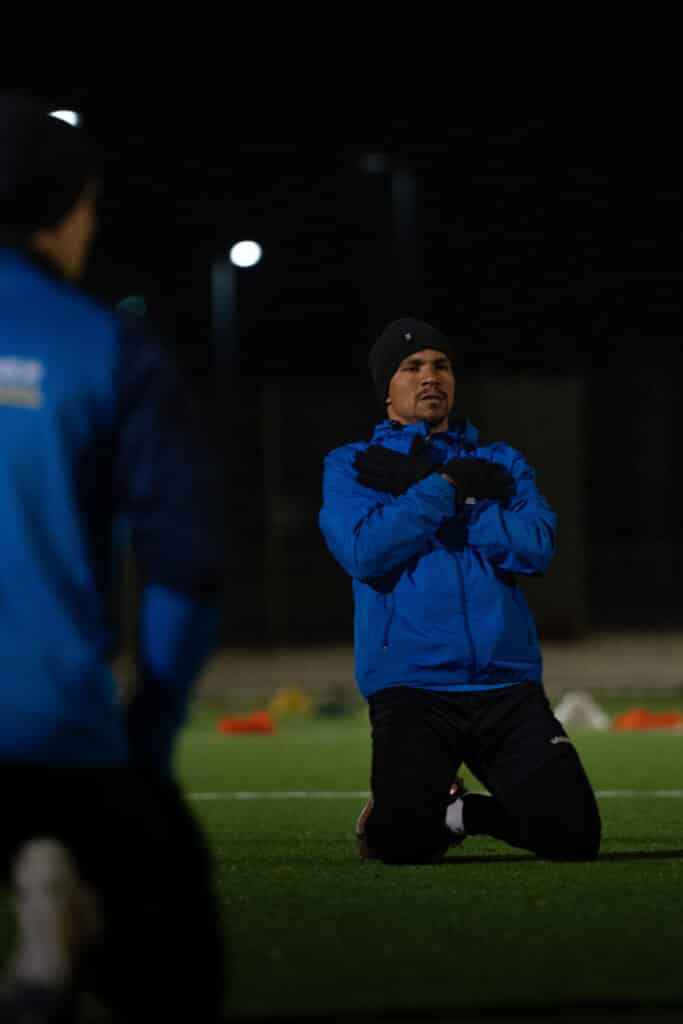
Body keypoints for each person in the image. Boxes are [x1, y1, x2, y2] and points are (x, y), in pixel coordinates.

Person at [0, 95, 227, 1021]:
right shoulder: (104, 347)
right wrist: (150, 734)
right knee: (176, 970)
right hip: (56, 734)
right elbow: (186, 563)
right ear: (69, 208)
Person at [319, 317, 601, 866]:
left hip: (506, 683)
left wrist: (458, 504)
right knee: (400, 844)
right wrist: (447, 489)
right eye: (412, 367)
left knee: (574, 836)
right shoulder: (352, 465)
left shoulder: (500, 461)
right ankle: (407, 812)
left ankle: (460, 813)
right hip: (413, 688)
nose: (430, 376)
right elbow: (364, 552)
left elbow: (536, 546)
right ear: (387, 388)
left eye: (441, 365)